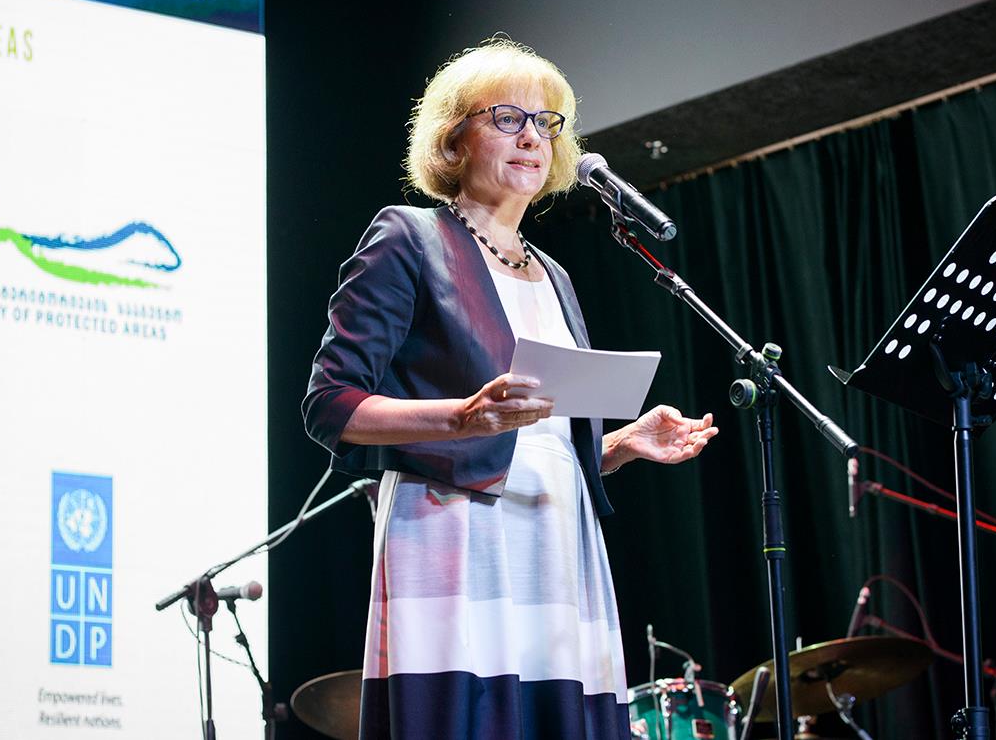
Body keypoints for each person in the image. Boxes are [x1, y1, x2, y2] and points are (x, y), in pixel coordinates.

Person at [303, 38, 718, 739]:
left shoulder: (555, 275)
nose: (532, 137)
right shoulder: (410, 237)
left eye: (546, 123)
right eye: (506, 118)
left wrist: (618, 444)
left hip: (557, 538)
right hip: (456, 533)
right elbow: (330, 403)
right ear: (453, 140)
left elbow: (538, 437)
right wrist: (460, 420)